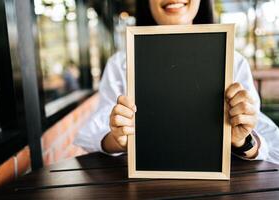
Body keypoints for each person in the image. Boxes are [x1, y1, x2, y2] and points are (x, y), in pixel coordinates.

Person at [74, 0, 279, 164]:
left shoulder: (232, 61)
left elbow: (267, 142)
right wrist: (118, 140)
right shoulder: (120, 63)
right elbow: (94, 133)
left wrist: (241, 140)